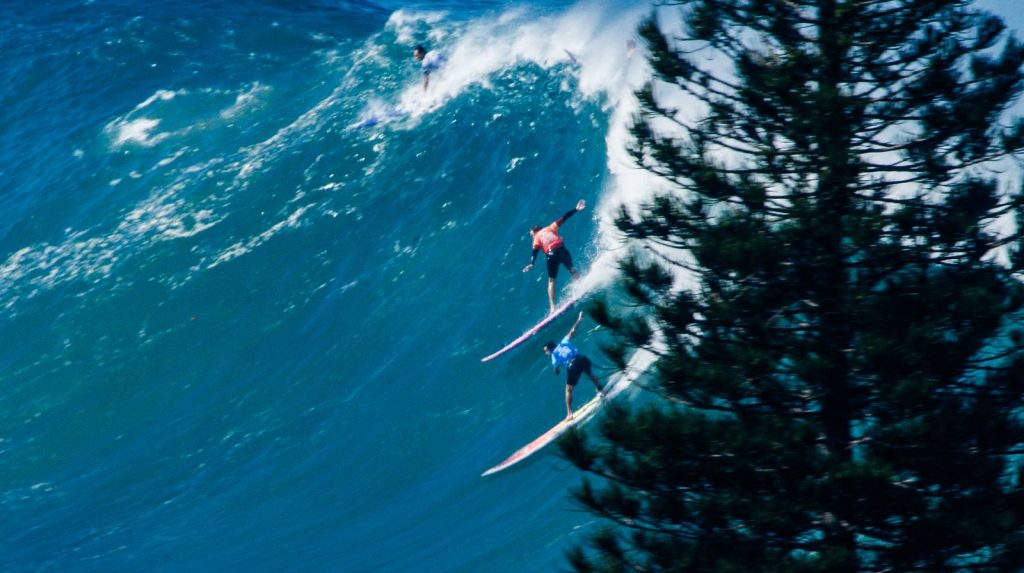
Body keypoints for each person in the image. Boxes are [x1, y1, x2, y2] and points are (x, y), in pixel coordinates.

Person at [523, 199, 586, 314]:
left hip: (551, 254)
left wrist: (532, 263)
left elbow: (535, 251)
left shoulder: (537, 238)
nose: (532, 237)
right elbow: (564, 217)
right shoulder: (550, 227)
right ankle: (583, 287)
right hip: (562, 250)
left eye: (532, 234)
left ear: (535, 231)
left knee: (551, 281)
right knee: (572, 270)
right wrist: (576, 209)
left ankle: (552, 308)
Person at [544, 312, 604, 420]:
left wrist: (556, 370)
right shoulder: (563, 341)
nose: (546, 353)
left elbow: (557, 371)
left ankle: (569, 413)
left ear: (550, 349)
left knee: (568, 390)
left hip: (573, 365)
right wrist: (579, 319)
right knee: (590, 375)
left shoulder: (553, 356)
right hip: (582, 359)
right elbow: (572, 331)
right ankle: (602, 391)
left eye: (546, 351)